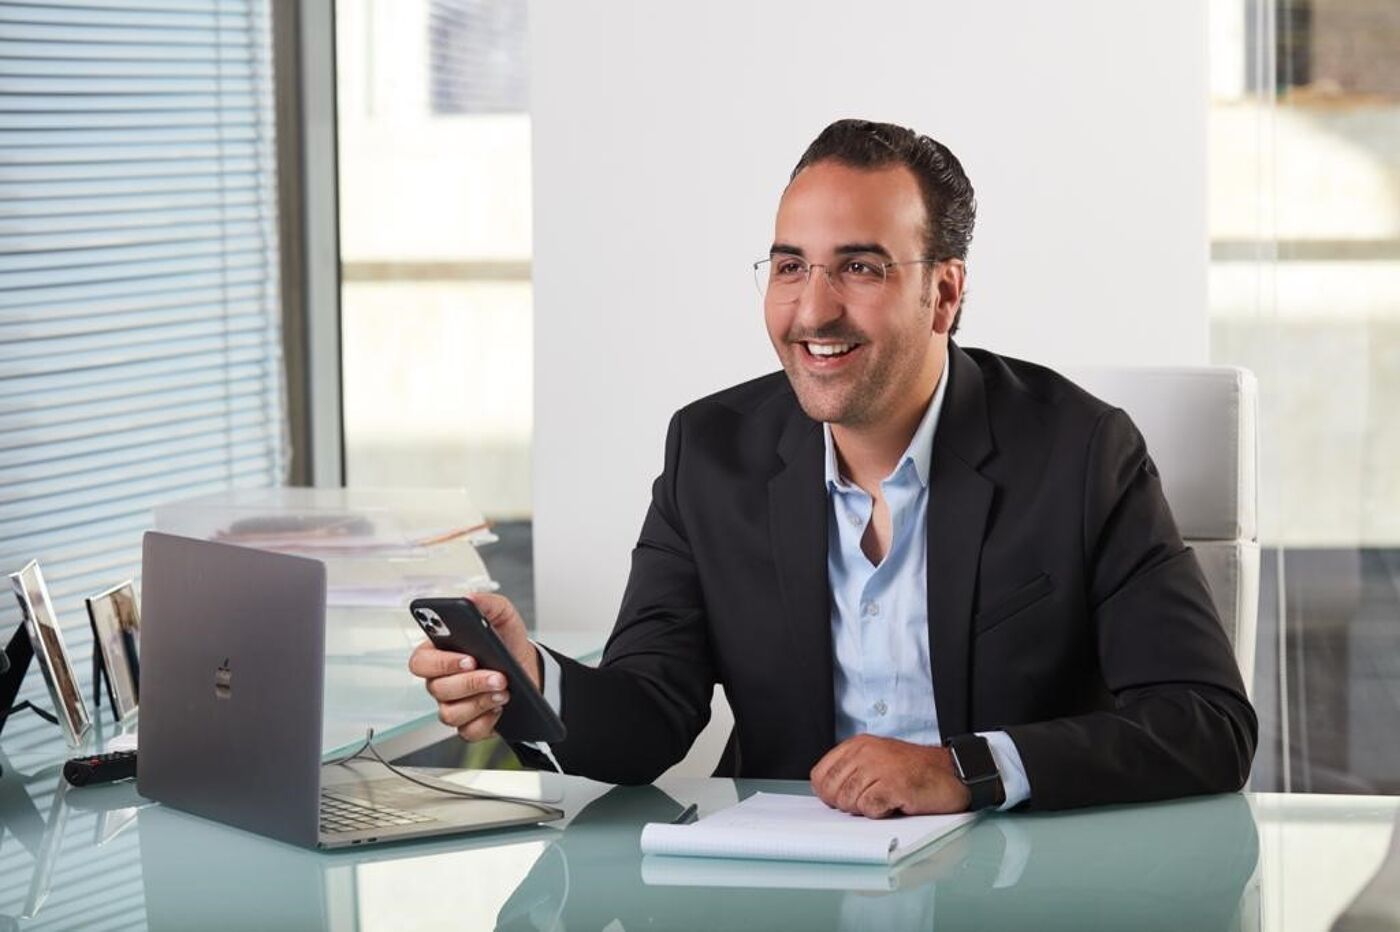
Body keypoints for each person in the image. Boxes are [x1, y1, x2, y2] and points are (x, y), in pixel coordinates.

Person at [409, 119, 1257, 815]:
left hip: (1014, 891)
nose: (812, 309)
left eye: (859, 267)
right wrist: (532, 678)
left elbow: (1206, 724)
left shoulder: (1079, 453)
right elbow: (651, 713)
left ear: (946, 294)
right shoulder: (710, 454)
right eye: (789, 267)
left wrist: (962, 770)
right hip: (789, 889)